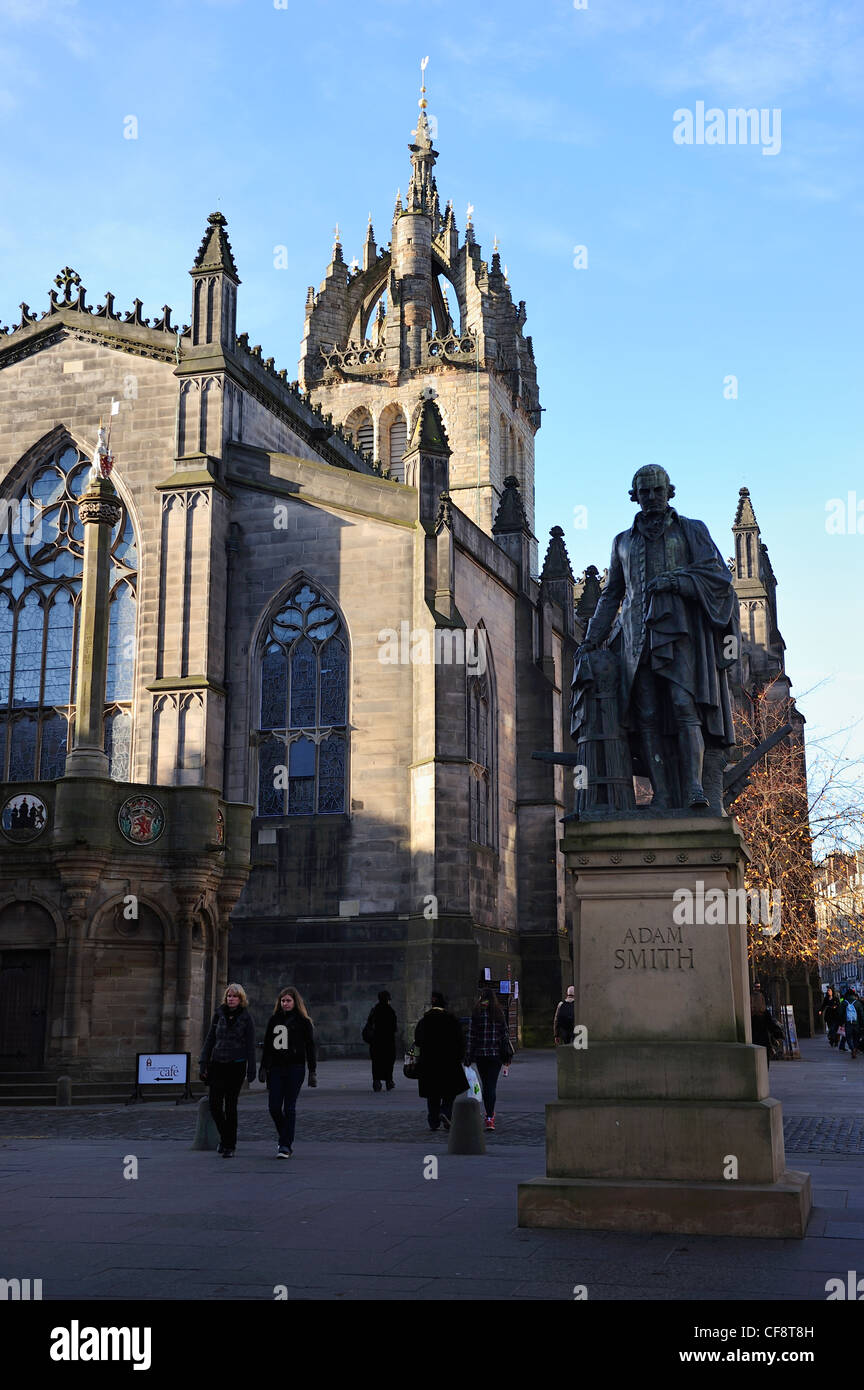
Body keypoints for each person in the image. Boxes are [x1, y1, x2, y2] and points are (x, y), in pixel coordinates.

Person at [199, 983, 256, 1157]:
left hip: (236, 1065)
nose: (231, 999)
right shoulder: (219, 1015)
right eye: (229, 996)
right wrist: (203, 1062)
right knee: (215, 1104)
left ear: (241, 999)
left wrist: (252, 1069)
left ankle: (229, 1145)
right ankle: (226, 1138)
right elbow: (210, 1040)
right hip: (218, 1063)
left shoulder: (246, 1018)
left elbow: (250, 1046)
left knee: (231, 1106)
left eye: (235, 996)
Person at [259, 986, 317, 1157]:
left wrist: (312, 1071)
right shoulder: (274, 1020)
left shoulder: (303, 1022)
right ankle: (285, 1136)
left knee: (289, 1107)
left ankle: (285, 1144)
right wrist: (263, 1067)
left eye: (288, 1000)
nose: (285, 1003)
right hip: (276, 1067)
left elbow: (310, 1047)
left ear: (295, 1002)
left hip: (295, 1067)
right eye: (283, 1000)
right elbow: (268, 1045)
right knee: (274, 1107)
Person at [413, 991, 468, 1132]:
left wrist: (417, 1059)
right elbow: (460, 1041)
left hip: (428, 1063)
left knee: (432, 1094)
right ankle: (445, 1111)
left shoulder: (424, 1022)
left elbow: (417, 1042)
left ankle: (433, 1120)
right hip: (449, 1062)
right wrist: (461, 1056)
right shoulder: (452, 1020)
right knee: (450, 1092)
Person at [465, 988, 513, 1132]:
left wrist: (468, 1054)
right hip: (495, 1055)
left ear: (481, 997)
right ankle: (490, 1117)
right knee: (491, 1086)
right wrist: (507, 1056)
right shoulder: (498, 1013)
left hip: (481, 1055)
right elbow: (504, 1035)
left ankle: (488, 1114)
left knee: (485, 1083)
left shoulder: (477, 1012)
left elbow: (471, 1036)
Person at [363, 990, 398, 1092]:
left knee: (376, 1062)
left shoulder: (374, 1010)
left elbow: (369, 1023)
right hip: (388, 1041)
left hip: (376, 1041)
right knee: (388, 1062)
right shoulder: (390, 1011)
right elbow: (394, 1028)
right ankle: (389, 1081)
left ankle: (376, 1081)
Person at [750, 987, 783, 1069]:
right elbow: (771, 1026)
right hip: (764, 1043)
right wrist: (779, 1034)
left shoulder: (749, 1014)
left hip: (751, 1042)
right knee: (764, 1068)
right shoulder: (764, 1013)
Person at [838, 988, 863, 1058]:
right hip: (856, 1023)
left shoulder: (844, 1003)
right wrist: (862, 1024)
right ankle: (855, 1048)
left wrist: (841, 1022)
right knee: (856, 1038)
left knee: (848, 1038)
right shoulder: (858, 1003)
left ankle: (852, 1049)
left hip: (848, 1023)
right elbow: (862, 1014)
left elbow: (839, 1013)